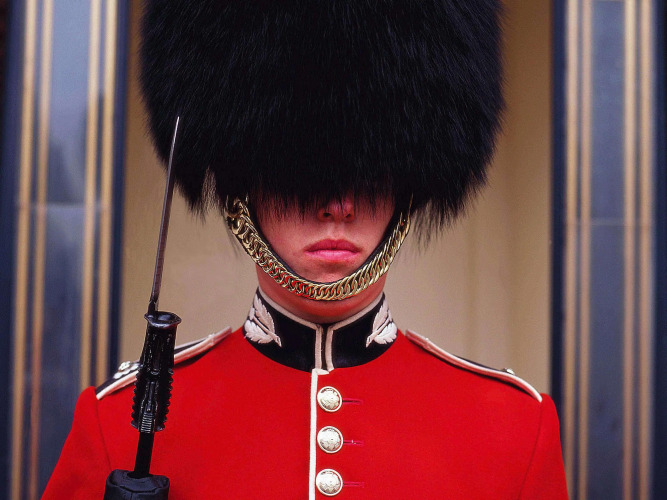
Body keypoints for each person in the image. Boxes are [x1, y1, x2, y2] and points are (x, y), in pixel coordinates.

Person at [44, 1, 568, 498]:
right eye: (297, 174)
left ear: (408, 188)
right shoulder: (118, 428)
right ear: (242, 191)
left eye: (371, 175)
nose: (337, 205)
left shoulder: (515, 430)